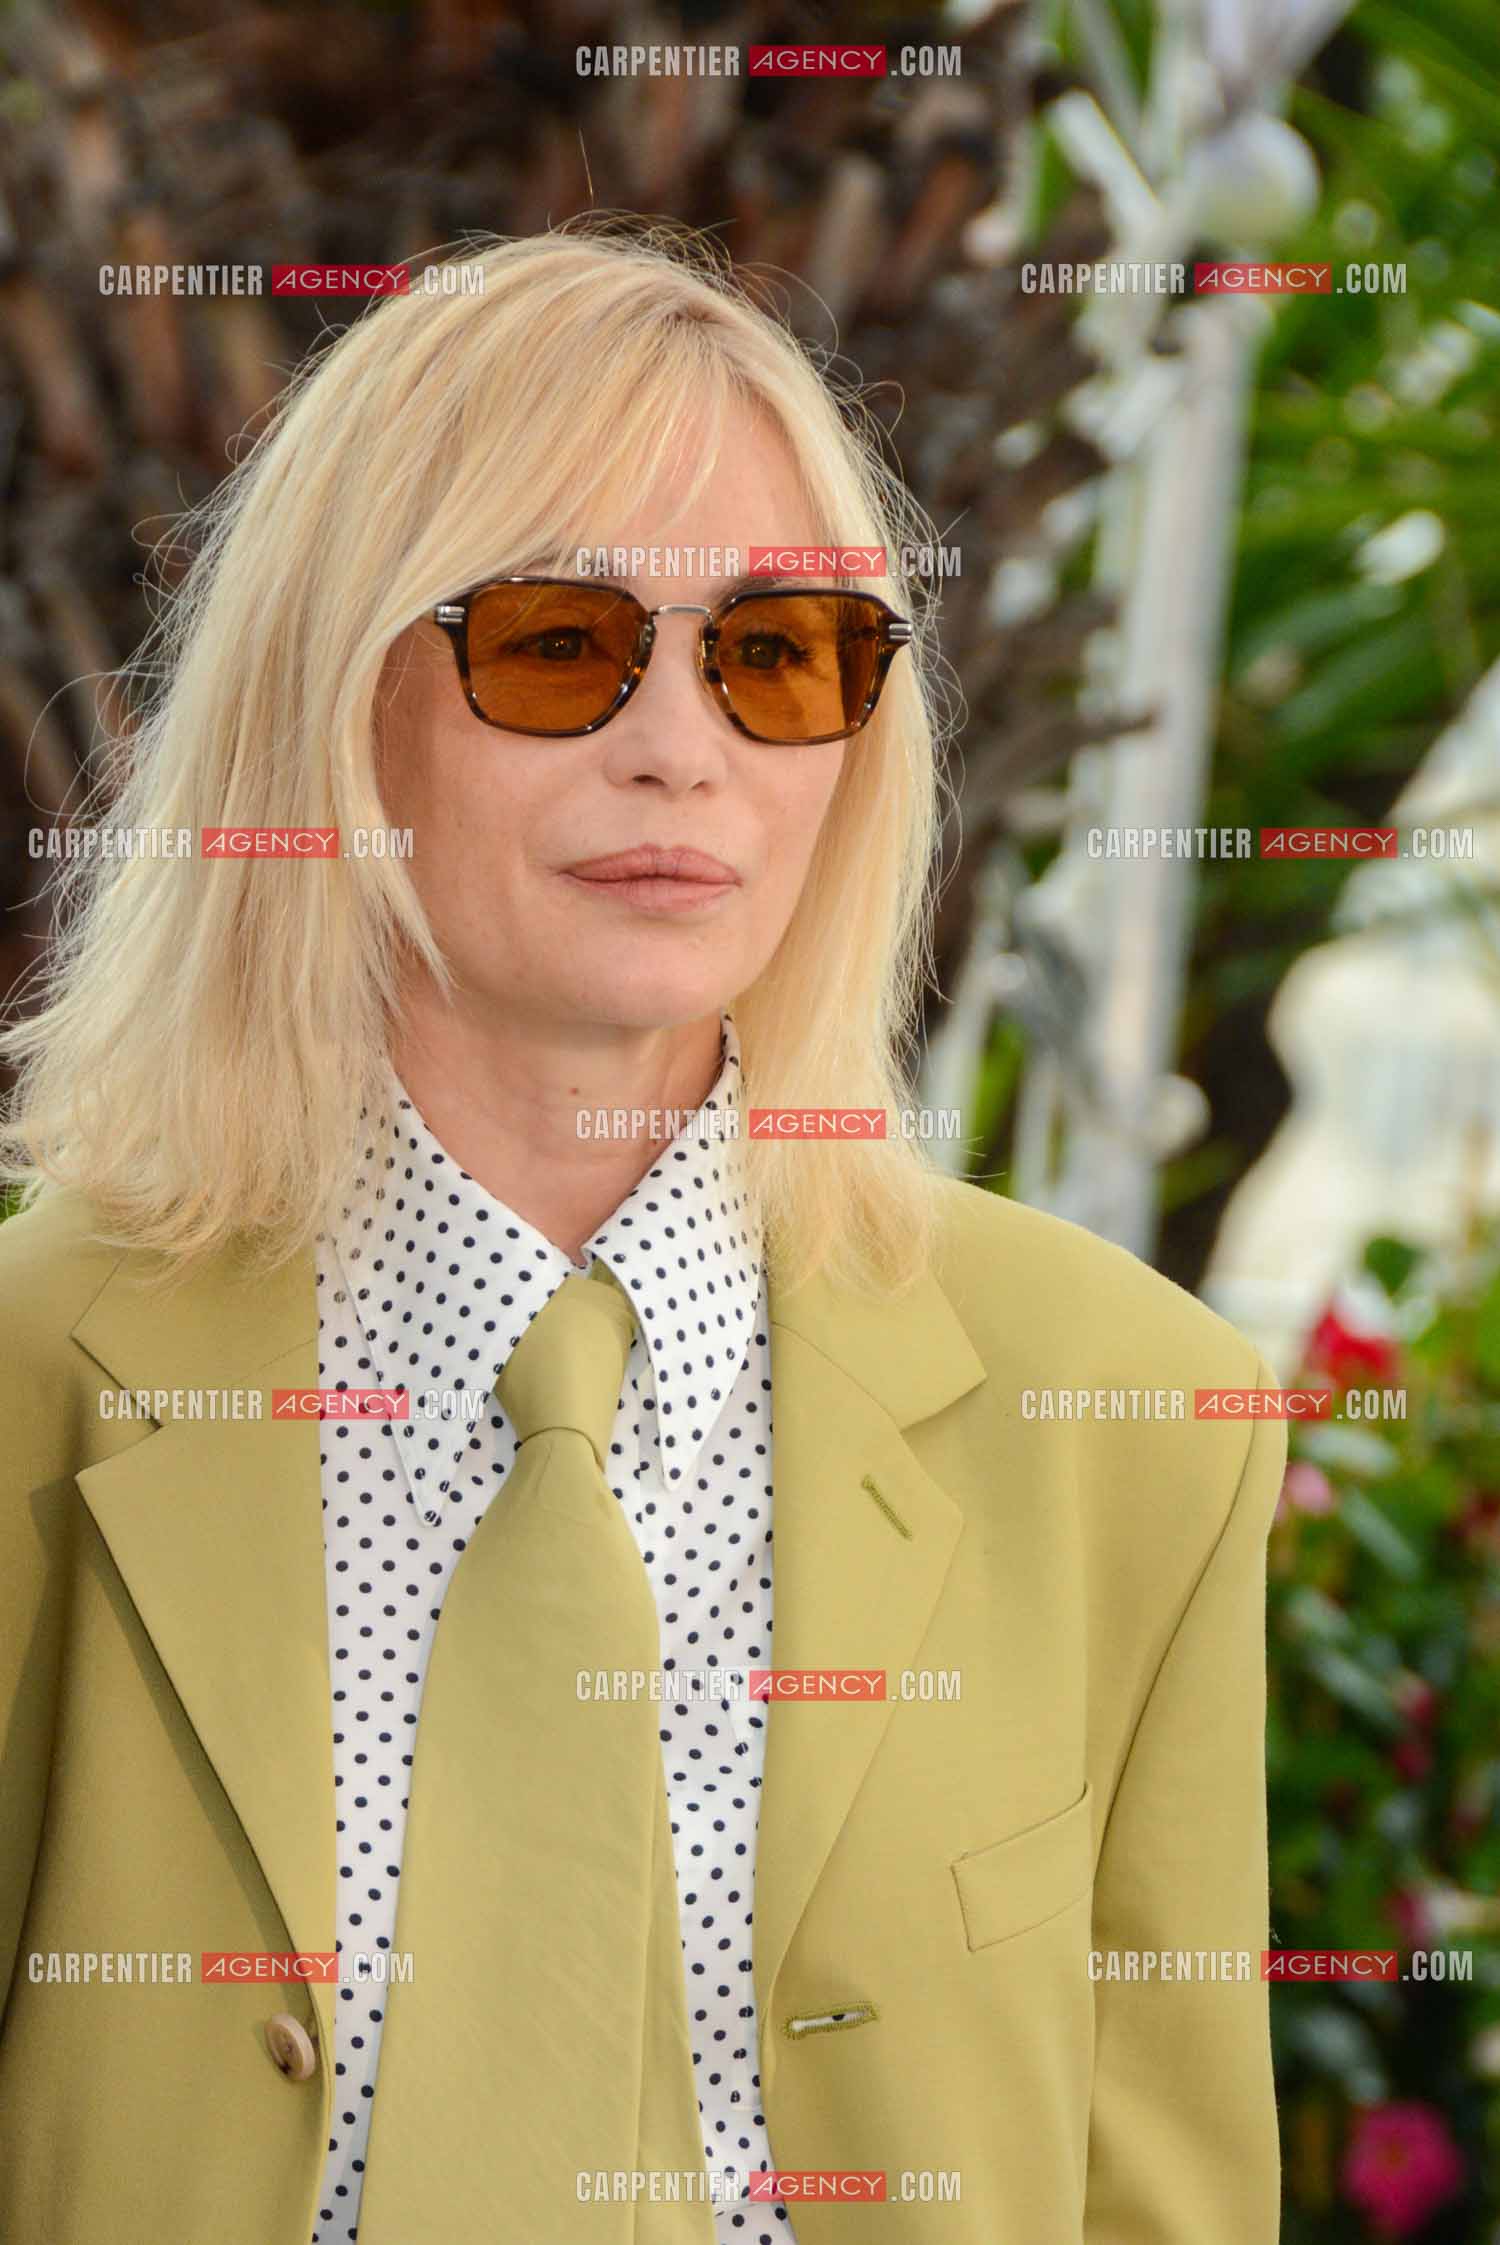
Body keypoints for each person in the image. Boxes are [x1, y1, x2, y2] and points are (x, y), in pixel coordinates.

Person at [0, 219, 1286, 2245]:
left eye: (775, 651)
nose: (680, 745)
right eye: (558, 642)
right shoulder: (29, 1377)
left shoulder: (1137, 1422)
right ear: (338, 703)